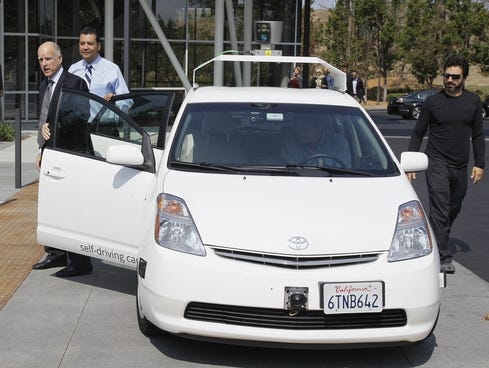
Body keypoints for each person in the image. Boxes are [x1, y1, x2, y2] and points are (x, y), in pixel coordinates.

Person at [407, 55, 485, 274]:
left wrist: (480, 163)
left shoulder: (473, 101)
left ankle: (435, 236)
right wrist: (411, 162)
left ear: (464, 78)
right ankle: (442, 257)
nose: (450, 80)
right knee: (440, 208)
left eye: (455, 77)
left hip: (460, 165)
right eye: (447, 76)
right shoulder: (433, 103)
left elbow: (478, 135)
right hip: (436, 162)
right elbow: (418, 133)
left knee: (454, 206)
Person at [33, 41, 93, 277]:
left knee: (72, 209)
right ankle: (56, 254)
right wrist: (41, 149)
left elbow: (81, 114)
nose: (44, 64)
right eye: (40, 60)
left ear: (59, 59)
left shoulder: (75, 83)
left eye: (48, 59)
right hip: (51, 155)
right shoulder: (42, 86)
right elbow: (42, 121)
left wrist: (54, 128)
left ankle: (80, 262)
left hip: (71, 156)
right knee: (53, 207)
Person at [68, 26, 129, 103]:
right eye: (82, 43)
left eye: (90, 44)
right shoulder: (73, 69)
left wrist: (114, 101)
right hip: (77, 115)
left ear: (99, 46)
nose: (85, 47)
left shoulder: (112, 69)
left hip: (104, 115)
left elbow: (126, 101)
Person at [281, 113, 351, 168]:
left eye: (305, 130)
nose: (300, 134)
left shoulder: (339, 143)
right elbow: (291, 169)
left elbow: (344, 170)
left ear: (319, 128)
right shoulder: (291, 143)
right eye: (298, 129)